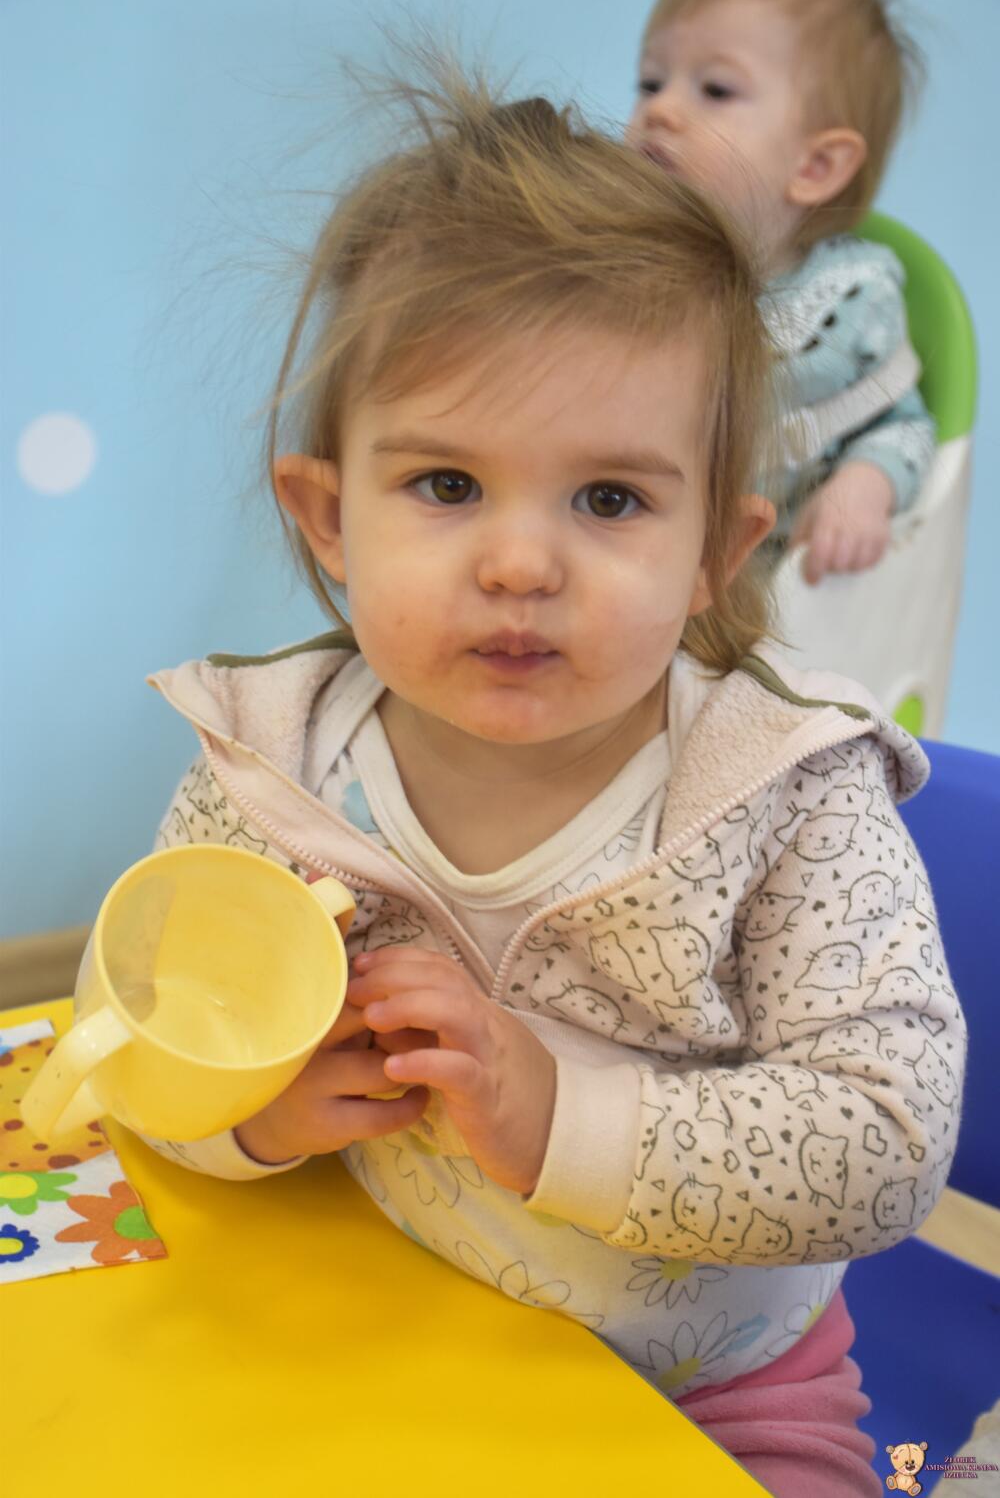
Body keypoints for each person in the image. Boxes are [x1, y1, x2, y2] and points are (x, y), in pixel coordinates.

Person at [142, 76, 964, 1498]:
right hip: (396, 1320)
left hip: (724, 1385)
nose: (521, 564)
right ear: (330, 516)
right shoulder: (272, 766)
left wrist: (554, 1117)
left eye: (609, 500)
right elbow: (146, 1043)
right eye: (448, 485)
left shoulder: (788, 791)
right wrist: (252, 1116)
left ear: (715, 551)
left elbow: (886, 1142)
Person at [629, 0, 937, 584]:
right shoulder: (610, 267)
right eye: (650, 83)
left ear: (815, 166)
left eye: (715, 90)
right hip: (629, 574)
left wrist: (864, 485)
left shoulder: (849, 304)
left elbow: (906, 427)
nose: (659, 110)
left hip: (767, 597)